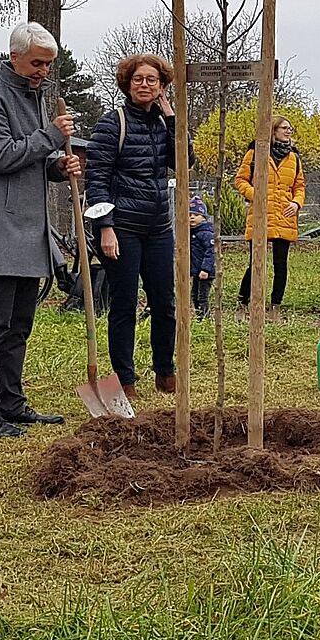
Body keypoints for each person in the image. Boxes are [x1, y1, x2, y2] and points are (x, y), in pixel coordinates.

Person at [0, 23, 83, 438]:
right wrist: (51, 135)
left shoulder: (35, 97)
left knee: (20, 324)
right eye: (37, 63)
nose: (44, 71)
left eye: (49, 64)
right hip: (2, 228)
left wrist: (56, 166)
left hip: (33, 228)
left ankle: (12, 405)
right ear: (14, 56)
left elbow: (30, 160)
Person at [86, 53, 186, 394]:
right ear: (127, 84)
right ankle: (125, 380)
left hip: (158, 226)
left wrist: (171, 117)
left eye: (152, 81)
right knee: (124, 304)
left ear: (161, 87)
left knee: (164, 303)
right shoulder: (112, 122)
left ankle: (165, 371)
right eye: (139, 80)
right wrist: (106, 227)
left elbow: (182, 162)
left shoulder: (162, 122)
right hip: (123, 227)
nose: (145, 85)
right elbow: (96, 177)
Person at [235, 115, 306, 312]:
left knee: (280, 264)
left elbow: (299, 186)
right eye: (284, 127)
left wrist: (296, 202)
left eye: (290, 128)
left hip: (284, 215)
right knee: (255, 261)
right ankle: (243, 302)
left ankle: (275, 305)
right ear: (273, 131)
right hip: (260, 214)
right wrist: (255, 195)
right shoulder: (255, 152)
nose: (288, 131)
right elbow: (240, 180)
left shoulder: (294, 157)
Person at [188, 193, 217, 314]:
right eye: (189, 215)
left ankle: (205, 316)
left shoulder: (206, 233)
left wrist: (205, 269)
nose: (192, 217)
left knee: (202, 297)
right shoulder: (191, 232)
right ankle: (199, 316)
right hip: (196, 271)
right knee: (194, 295)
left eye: (196, 215)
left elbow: (211, 252)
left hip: (205, 272)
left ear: (204, 217)